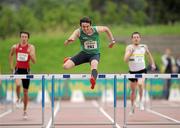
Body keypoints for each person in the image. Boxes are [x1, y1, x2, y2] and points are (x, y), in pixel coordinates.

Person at [63, 16, 116, 89]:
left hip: (94, 55)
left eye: (87, 26)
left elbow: (106, 29)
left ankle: (93, 80)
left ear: (90, 25)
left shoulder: (96, 30)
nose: (85, 28)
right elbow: (72, 38)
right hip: (83, 54)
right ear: (80, 26)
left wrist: (112, 41)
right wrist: (68, 41)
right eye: (83, 27)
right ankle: (71, 58)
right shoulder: (78, 31)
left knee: (94, 65)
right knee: (65, 66)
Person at [124, 32, 156, 115]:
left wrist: (152, 63)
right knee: (133, 91)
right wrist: (131, 52)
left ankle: (141, 101)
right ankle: (132, 107)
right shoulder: (129, 47)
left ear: (140, 38)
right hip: (132, 71)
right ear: (132, 39)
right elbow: (125, 60)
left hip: (142, 70)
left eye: (137, 37)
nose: (136, 38)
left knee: (140, 84)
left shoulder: (144, 46)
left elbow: (149, 55)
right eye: (134, 37)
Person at [9, 31, 36, 119]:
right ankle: (18, 98)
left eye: (25, 37)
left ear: (28, 38)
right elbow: (11, 55)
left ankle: (25, 111)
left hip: (26, 70)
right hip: (18, 69)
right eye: (22, 36)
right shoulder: (15, 46)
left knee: (25, 92)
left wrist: (30, 54)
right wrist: (12, 67)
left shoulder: (31, 47)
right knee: (17, 84)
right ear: (20, 37)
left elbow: (34, 61)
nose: (23, 38)